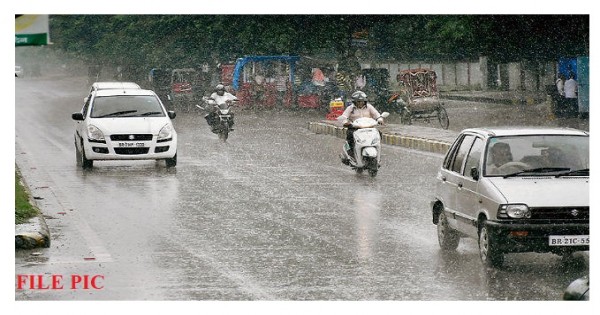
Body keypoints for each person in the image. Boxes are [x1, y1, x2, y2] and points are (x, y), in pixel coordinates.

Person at [339, 91, 384, 158]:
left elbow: (376, 114)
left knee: (379, 133)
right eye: (358, 101)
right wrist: (346, 122)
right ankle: (351, 152)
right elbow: (344, 117)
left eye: (362, 101)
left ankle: (376, 150)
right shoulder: (350, 108)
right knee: (350, 135)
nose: (361, 103)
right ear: (354, 102)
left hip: (369, 128)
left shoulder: (369, 107)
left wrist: (380, 119)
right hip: (355, 128)